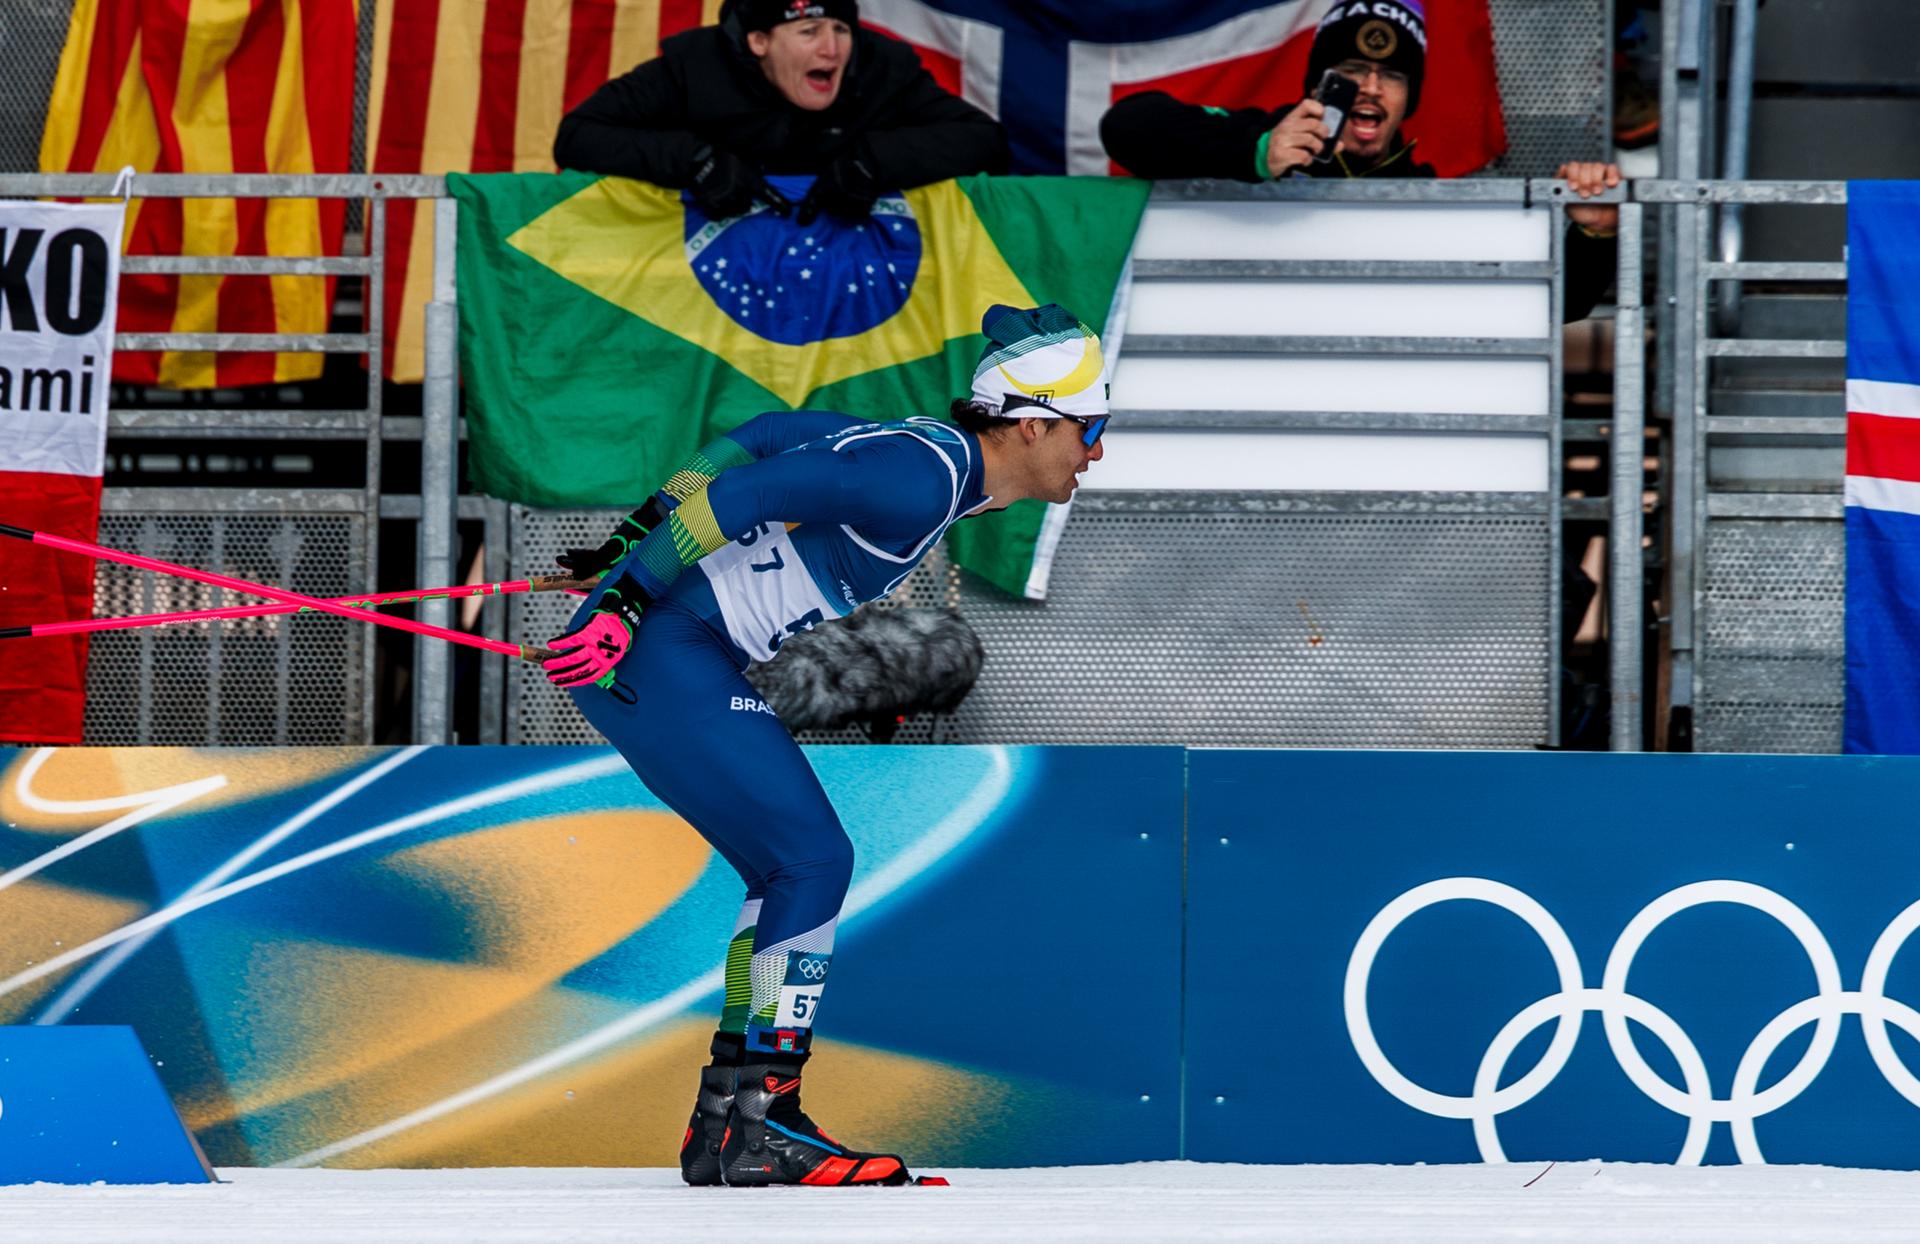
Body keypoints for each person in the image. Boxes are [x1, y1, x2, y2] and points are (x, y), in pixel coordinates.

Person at [540, 304, 1110, 1187]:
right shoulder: (918, 480)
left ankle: (730, 1121)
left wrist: (633, 543)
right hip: (661, 647)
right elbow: (746, 491)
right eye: (1091, 428)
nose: (1097, 453)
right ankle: (760, 1116)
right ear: (1033, 423)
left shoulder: (932, 459)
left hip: (669, 644)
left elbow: (762, 435)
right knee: (813, 861)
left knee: (784, 872)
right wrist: (626, 592)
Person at [1097, 0, 1623, 322]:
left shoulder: (1435, 197)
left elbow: (1542, 308)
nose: (1370, 89)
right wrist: (1256, 151)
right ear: (1319, 84)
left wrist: (1594, 236)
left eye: (1391, 75)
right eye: (1350, 70)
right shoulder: (1255, 137)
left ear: (1409, 98)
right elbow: (1126, 126)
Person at [553, 0, 1008, 225]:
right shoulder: (693, 67)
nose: (832, 49)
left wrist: (876, 161)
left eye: (841, 29)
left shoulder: (880, 66)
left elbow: (984, 140)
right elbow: (577, 136)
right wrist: (696, 161)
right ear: (759, 42)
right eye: (809, 30)